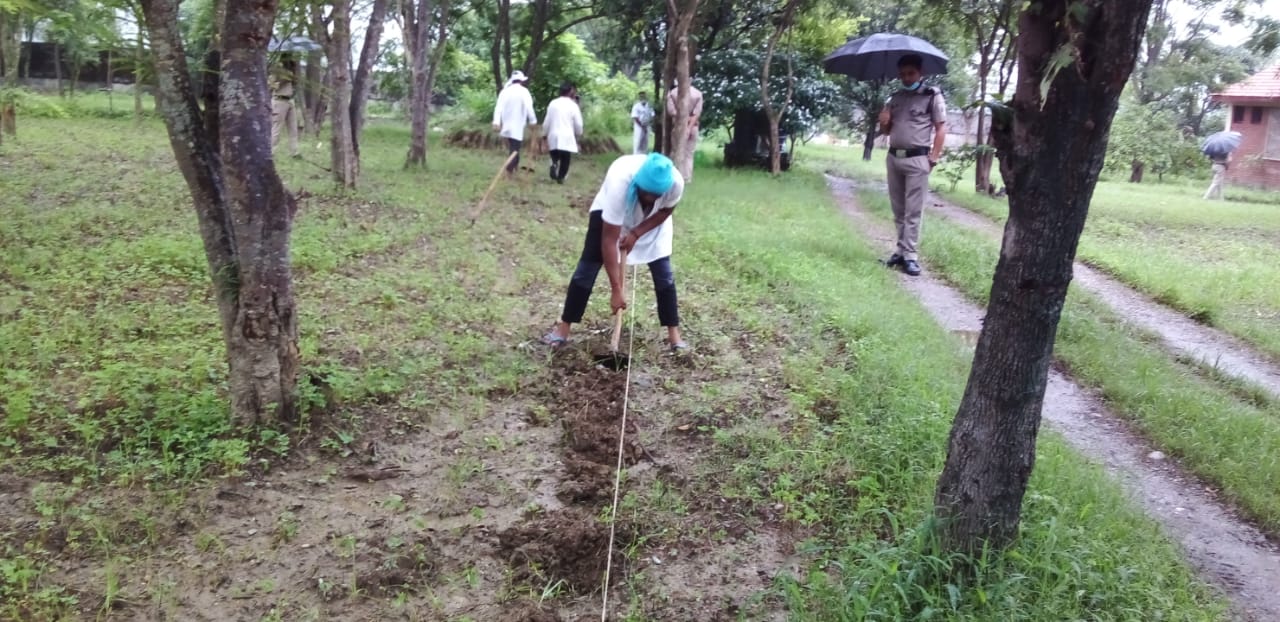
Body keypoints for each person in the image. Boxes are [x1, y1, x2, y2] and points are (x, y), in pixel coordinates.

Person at [542, 153, 687, 351]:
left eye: (656, 196)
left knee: (664, 275)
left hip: (651, 224)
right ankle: (563, 330)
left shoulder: (675, 182)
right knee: (586, 269)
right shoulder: (620, 180)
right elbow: (608, 241)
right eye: (647, 193)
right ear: (639, 184)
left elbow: (665, 211)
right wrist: (616, 290)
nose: (651, 199)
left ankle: (674, 337)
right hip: (610, 214)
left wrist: (636, 233)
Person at [877, 54, 946, 277]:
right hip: (894, 157)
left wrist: (933, 158)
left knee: (913, 211)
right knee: (899, 209)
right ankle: (899, 251)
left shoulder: (931, 96)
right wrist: (884, 121)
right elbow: (887, 131)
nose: (906, 78)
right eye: (903, 74)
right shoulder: (894, 98)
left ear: (920, 73)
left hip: (918, 159)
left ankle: (911, 256)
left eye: (911, 73)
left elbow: (941, 128)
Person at [492, 70, 537, 176]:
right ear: (521, 81)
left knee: (514, 148)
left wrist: (496, 122)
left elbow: (498, 108)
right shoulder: (524, 92)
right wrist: (533, 121)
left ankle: (513, 168)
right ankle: (510, 170)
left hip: (507, 124)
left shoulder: (504, 92)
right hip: (517, 125)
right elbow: (529, 107)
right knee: (515, 149)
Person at [542, 82, 584, 184]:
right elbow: (578, 124)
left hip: (553, 134)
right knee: (565, 159)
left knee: (554, 154)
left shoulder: (553, 103)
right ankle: (561, 177)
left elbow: (547, 121)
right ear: (571, 91)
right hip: (567, 135)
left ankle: (554, 163)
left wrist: (544, 133)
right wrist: (579, 132)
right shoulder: (573, 106)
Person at [665, 80, 703, 181]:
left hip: (678, 126)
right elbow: (696, 114)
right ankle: (687, 177)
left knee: (676, 151)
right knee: (689, 154)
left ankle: (675, 176)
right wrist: (689, 127)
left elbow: (672, 111)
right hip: (693, 127)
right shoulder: (698, 94)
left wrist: (683, 122)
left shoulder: (672, 94)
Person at [270, 54, 300, 158]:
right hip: (279, 100)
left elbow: (295, 84)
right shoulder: (277, 70)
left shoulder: (291, 71)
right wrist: (283, 80)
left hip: (290, 100)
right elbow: (271, 85)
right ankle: (271, 152)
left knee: (293, 128)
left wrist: (293, 74)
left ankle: (294, 152)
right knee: (276, 128)